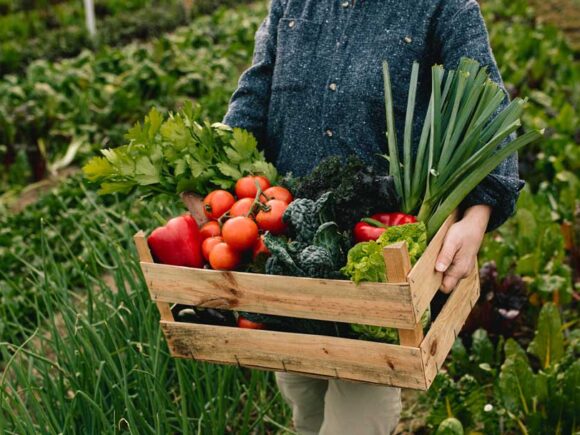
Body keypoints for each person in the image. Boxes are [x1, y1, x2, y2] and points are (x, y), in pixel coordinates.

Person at [223, 1, 523, 433]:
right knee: (305, 408)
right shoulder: (290, 5)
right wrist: (214, 169)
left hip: (375, 266)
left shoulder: (443, 7)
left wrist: (475, 218)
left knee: (356, 421)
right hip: (286, 250)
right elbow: (255, 92)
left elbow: (489, 110)